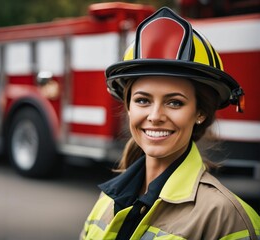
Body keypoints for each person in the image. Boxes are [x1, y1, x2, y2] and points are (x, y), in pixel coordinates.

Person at [80, 7, 260, 240]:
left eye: (174, 103)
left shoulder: (228, 219)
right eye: (143, 100)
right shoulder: (106, 200)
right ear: (128, 107)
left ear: (200, 112)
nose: (155, 116)